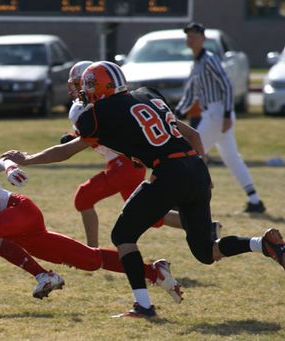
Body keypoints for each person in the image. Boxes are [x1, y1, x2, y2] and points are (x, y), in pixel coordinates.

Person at [2, 61, 285, 318]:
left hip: (167, 172)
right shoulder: (149, 95)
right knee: (205, 251)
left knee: (122, 234)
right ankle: (262, 244)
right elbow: (194, 135)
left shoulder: (98, 113)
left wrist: (27, 159)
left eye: (89, 87)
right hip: (195, 169)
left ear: (98, 88)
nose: (85, 93)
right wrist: (203, 171)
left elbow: (66, 152)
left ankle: (144, 305)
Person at [0, 150, 183, 304]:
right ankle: (154, 271)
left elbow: (1, 162)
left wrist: (10, 169)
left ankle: (44, 276)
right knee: (88, 260)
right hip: (15, 234)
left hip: (18, 210)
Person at [61, 61, 220, 247]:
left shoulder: (89, 110)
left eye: (80, 83)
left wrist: (74, 140)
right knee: (149, 215)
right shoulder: (124, 102)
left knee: (84, 197)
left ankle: (93, 252)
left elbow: (99, 137)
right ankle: (207, 227)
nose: (77, 89)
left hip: (123, 164)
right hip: (135, 163)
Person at [176, 22, 265, 213]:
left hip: (217, 113)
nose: (190, 38)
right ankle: (255, 200)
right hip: (212, 113)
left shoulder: (209, 59)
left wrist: (226, 114)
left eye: (194, 35)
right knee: (232, 158)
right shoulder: (197, 62)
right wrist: (175, 114)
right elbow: (191, 94)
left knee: (191, 152)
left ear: (203, 38)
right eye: (188, 35)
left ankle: (182, 197)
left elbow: (226, 86)